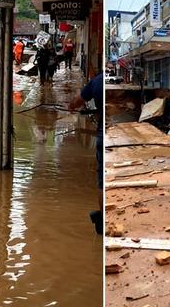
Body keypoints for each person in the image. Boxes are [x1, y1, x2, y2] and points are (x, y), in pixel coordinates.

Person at [69, 72, 104, 234]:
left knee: (102, 180)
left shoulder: (96, 82)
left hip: (104, 135)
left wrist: (71, 106)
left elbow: (78, 101)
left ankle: (104, 219)